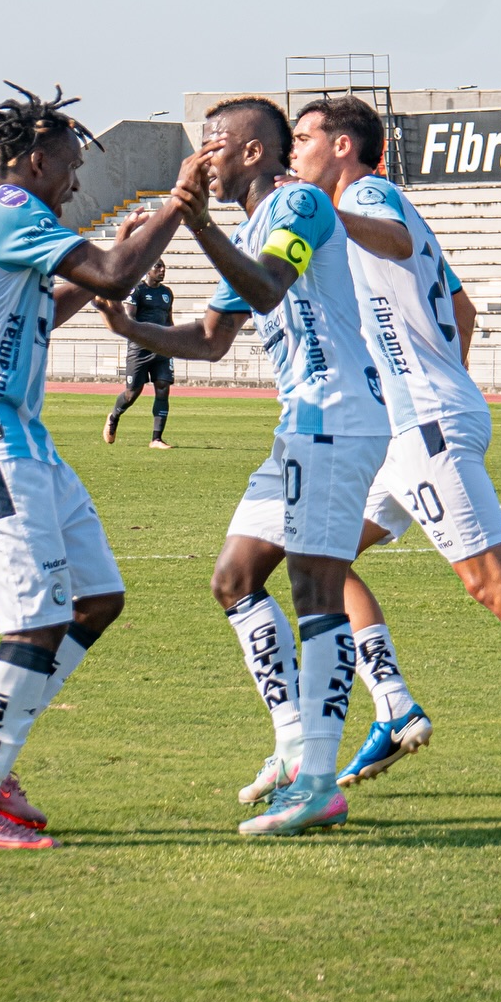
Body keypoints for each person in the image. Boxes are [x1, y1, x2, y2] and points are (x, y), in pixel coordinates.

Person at [290, 97, 501, 810]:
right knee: (318, 561)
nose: (295, 150)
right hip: (410, 424)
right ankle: (391, 705)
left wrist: (432, 393)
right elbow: (465, 308)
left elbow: (386, 237)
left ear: (345, 145)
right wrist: (444, 378)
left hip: (422, 423)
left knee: (490, 578)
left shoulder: (365, 194)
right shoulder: (357, 202)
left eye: (304, 138)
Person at [97, 96, 389, 838]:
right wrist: (131, 326)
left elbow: (268, 286)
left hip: (338, 413)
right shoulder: (251, 225)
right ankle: (294, 744)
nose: (200, 161)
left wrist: (193, 222)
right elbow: (213, 336)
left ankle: (320, 780)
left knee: (315, 584)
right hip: (300, 423)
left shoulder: (298, 204)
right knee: (234, 577)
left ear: (254, 151)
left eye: (212, 146)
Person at [0, 83, 186, 851]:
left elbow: (66, 295)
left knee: (96, 598)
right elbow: (105, 271)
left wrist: (139, 248)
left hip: (24, 441)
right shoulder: (8, 209)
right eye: (69, 166)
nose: (75, 184)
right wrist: (178, 203)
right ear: (34, 160)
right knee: (35, 619)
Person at [103, 260, 176, 448]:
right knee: (132, 393)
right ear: (147, 270)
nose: (162, 270)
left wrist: (174, 340)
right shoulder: (137, 291)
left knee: (163, 387)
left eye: (164, 267)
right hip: (140, 348)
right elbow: (130, 318)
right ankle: (114, 416)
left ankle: (156, 439)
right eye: (158, 267)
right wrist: (147, 336)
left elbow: (169, 320)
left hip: (162, 347)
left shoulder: (167, 293)